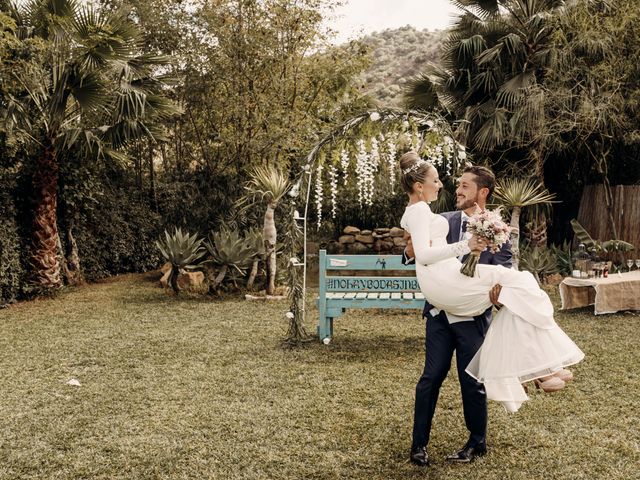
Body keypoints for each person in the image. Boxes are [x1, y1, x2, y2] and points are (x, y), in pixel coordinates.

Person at [401, 152, 584, 467]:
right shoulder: (444, 218)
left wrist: (499, 296)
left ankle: (477, 442)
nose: (457, 191)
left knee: (473, 380)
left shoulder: (500, 232)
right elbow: (417, 247)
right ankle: (419, 445)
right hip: (439, 314)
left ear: (482, 192)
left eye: (464, 186)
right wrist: (409, 248)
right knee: (431, 377)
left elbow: (502, 270)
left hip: (472, 316)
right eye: (456, 185)